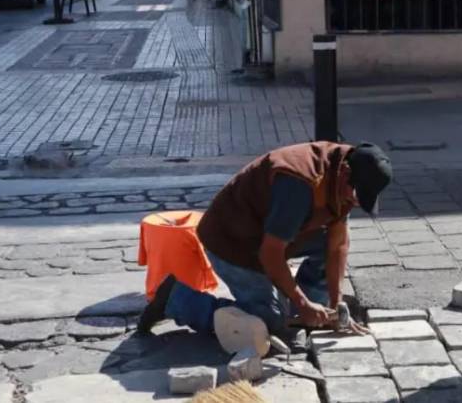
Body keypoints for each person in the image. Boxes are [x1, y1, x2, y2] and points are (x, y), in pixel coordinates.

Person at [137, 142, 393, 338]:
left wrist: (337, 304)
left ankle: (307, 310)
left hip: (276, 233)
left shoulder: (346, 177)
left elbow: (337, 245)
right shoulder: (300, 184)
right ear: (345, 172)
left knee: (322, 255)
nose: (357, 201)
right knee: (266, 324)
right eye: (358, 193)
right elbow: (270, 254)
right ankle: (178, 299)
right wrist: (301, 302)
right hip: (233, 240)